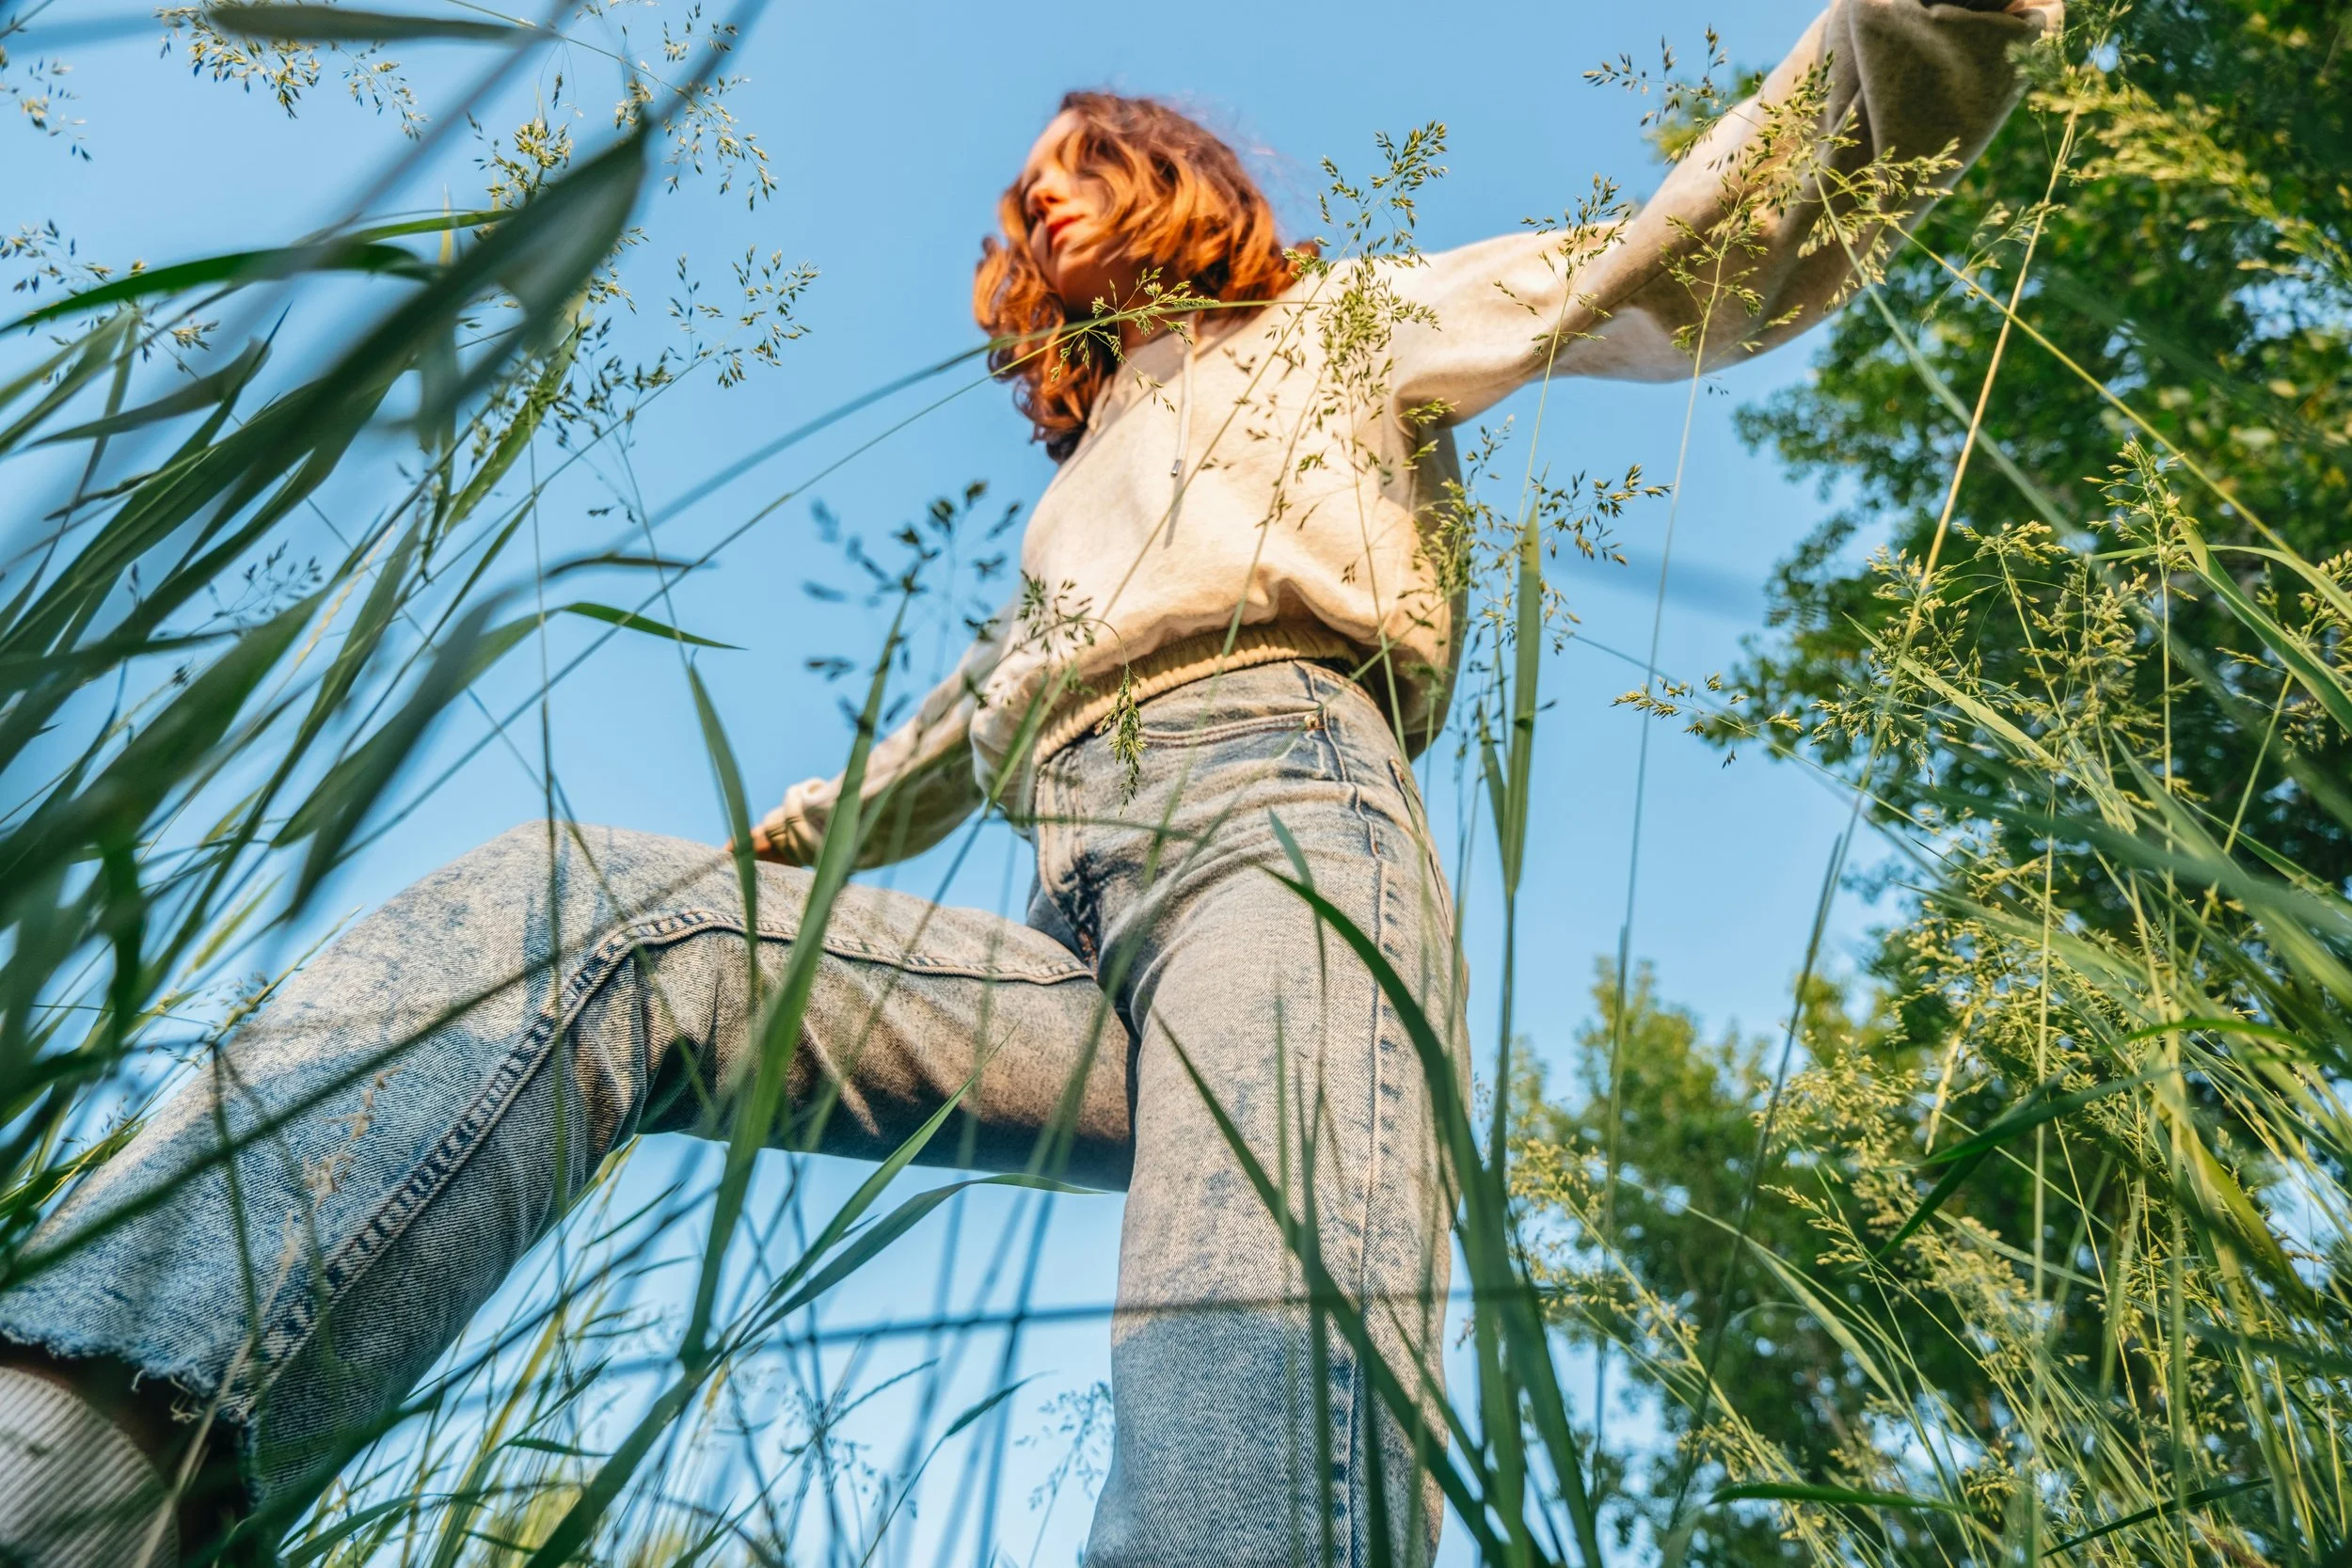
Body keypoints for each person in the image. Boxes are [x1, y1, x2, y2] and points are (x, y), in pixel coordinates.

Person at [0, 1, 2058, 1561]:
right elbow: (934, 750)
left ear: (1177, 185)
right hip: (1070, 915)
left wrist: (1932, 28)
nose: (1040, 194)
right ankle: (80, 1456)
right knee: (575, 905)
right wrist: (756, 852)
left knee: (1251, 1328)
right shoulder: (1064, 508)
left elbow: (1676, 262)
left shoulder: (1341, 324)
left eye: (1082, 158)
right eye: (1021, 191)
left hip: (1283, 828)